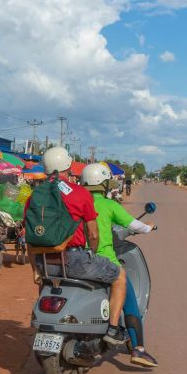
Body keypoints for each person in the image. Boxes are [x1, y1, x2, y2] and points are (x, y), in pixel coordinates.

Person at [41, 147, 127, 346]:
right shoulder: (79, 193)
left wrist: (35, 269)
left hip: (44, 263)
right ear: (69, 167)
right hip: (73, 260)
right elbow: (93, 233)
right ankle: (113, 329)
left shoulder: (36, 195)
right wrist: (92, 253)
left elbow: (30, 237)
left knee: (46, 283)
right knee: (119, 276)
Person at [80, 163, 158, 367]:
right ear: (103, 184)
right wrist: (149, 227)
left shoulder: (75, 202)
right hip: (104, 261)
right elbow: (134, 225)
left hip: (77, 259)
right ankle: (138, 349)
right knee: (129, 300)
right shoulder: (108, 205)